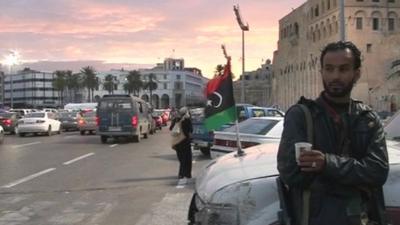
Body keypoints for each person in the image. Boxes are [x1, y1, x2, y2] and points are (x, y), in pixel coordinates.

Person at [277, 41, 389, 225]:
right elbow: (290, 172)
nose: (335, 76)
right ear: (321, 71)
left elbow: (377, 172)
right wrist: (355, 177)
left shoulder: (367, 120)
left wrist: (326, 164)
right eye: (329, 69)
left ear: (357, 73)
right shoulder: (301, 116)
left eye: (343, 69)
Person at [170, 107, 193, 185]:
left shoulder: (176, 119)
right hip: (185, 142)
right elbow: (190, 131)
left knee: (181, 159)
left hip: (178, 143)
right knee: (187, 159)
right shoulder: (187, 120)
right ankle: (187, 174)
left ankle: (181, 174)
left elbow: (171, 128)